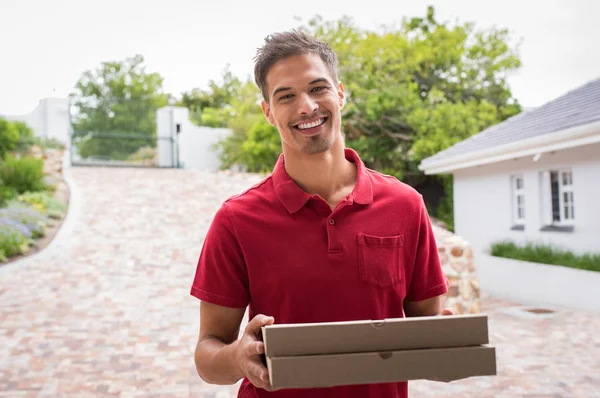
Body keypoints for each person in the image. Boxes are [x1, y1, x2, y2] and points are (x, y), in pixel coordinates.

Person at [190, 29, 451, 398]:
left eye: (318, 88)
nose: (307, 106)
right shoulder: (236, 219)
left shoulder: (405, 206)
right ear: (268, 112)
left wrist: (445, 346)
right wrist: (237, 357)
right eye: (286, 96)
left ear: (340, 93)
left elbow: (427, 324)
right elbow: (207, 353)